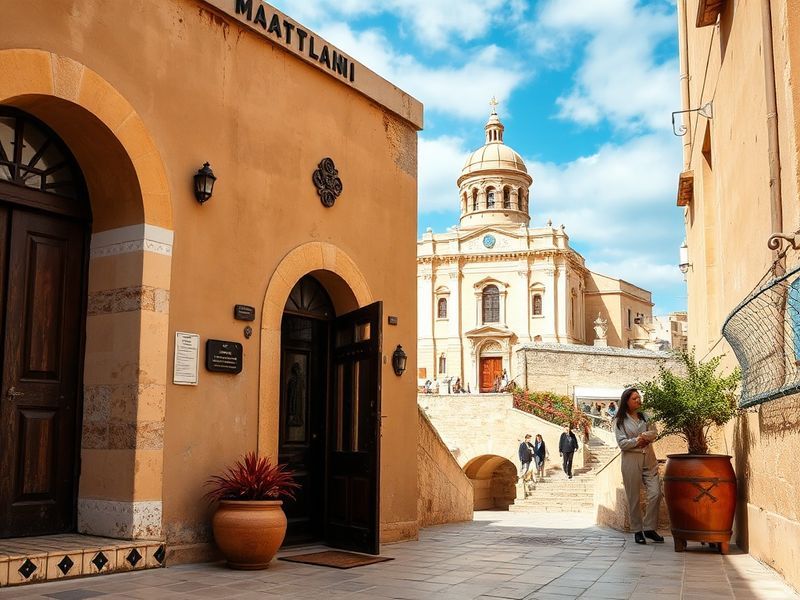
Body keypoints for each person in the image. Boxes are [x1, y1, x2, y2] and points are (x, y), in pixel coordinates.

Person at [615, 387, 664, 545]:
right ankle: (637, 530)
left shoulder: (645, 416)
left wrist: (643, 436)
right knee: (634, 497)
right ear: (627, 401)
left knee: (656, 493)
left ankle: (649, 528)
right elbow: (622, 443)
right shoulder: (619, 421)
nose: (638, 400)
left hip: (649, 459)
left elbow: (654, 432)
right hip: (631, 461)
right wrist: (638, 441)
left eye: (639, 398)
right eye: (635, 398)